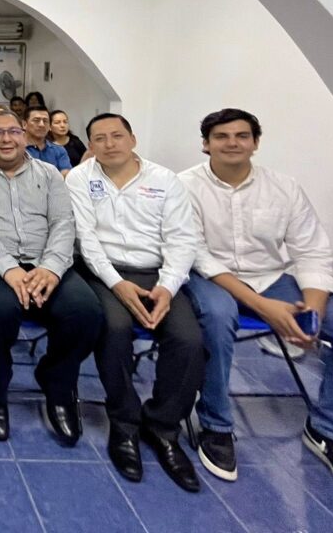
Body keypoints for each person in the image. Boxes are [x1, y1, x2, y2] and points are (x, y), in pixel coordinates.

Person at [180, 108, 333, 505]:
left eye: (242, 136)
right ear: (206, 144)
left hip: (273, 278)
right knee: (217, 317)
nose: (232, 143)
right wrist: (265, 309)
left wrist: (312, 314)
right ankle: (216, 425)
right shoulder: (184, 186)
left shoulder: (284, 188)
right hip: (212, 279)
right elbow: (198, 256)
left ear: (255, 143)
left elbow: (312, 251)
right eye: (221, 136)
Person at [66, 112, 206, 493]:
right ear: (90, 145)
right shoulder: (80, 178)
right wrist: (116, 284)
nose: (109, 144)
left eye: (117, 136)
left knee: (189, 340)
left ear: (133, 139)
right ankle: (124, 424)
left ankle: (163, 426)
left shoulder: (165, 180)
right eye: (99, 138)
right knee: (113, 330)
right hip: (103, 272)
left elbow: (182, 239)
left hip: (158, 274)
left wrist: (168, 287)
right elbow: (85, 238)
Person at [0, 108, 103, 444]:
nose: (6, 139)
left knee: (86, 312)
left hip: (46, 262)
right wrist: (9, 268)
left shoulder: (49, 174)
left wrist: (51, 268)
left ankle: (57, 383)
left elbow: (63, 223)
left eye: (13, 132)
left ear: (24, 136)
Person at [24, 106, 72, 176]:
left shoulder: (59, 150)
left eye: (45, 121)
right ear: (24, 124)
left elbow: (66, 174)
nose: (42, 124)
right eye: (36, 120)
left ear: (49, 126)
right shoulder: (17, 150)